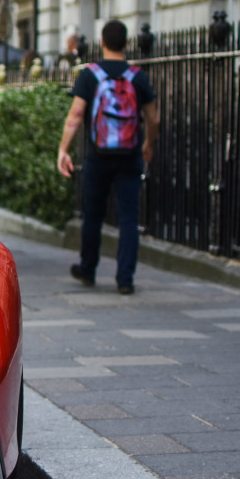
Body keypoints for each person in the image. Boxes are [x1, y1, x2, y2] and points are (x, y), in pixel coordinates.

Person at [57, 20, 160, 295]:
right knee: (128, 216)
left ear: (102, 43)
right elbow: (153, 117)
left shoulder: (90, 75)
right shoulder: (138, 76)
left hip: (98, 155)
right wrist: (148, 144)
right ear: (127, 44)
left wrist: (63, 149)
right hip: (129, 154)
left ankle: (88, 269)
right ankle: (125, 279)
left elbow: (76, 115)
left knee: (93, 214)